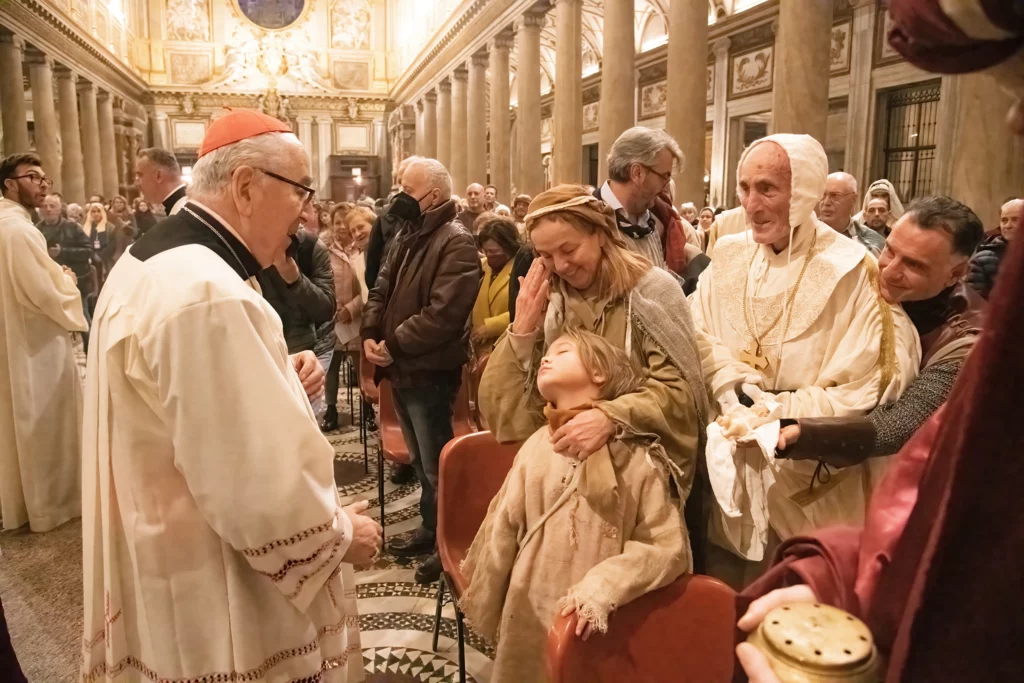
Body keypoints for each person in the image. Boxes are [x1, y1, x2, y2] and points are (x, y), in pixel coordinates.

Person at [81, 109, 381, 683]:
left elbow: (184, 409)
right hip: (214, 576)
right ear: (246, 186)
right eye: (300, 193)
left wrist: (274, 374)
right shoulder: (208, 293)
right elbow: (252, 482)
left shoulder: (153, 260)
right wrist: (340, 534)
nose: (302, 218)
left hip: (161, 540)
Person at [690, 134, 920, 588]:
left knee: (791, 602)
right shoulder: (730, 255)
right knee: (726, 595)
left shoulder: (853, 270)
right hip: (728, 467)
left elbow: (871, 383)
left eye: (767, 189)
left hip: (806, 478)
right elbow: (695, 330)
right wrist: (728, 382)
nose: (751, 203)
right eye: (744, 187)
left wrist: (774, 411)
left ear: (807, 192)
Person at [479, 184, 708, 569]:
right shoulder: (551, 300)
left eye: (569, 250)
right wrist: (522, 331)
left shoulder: (651, 291)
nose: (561, 265)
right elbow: (505, 412)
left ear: (601, 235)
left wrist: (610, 416)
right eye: (546, 255)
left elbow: (683, 394)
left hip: (640, 483)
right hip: (565, 474)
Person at [462, 329, 690, 683]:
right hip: (529, 609)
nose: (546, 359)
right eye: (546, 354)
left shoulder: (636, 458)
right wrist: (487, 594)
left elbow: (664, 546)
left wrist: (602, 588)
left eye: (562, 351)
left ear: (599, 372)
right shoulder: (537, 445)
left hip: (598, 621)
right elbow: (502, 525)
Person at [775, 196, 985, 467]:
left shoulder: (966, 342)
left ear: (956, 273)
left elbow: (902, 423)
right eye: (890, 250)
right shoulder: (863, 276)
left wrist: (803, 431)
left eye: (914, 265)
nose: (889, 271)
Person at [361, 157, 481, 584]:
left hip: (430, 370)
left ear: (432, 195)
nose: (399, 196)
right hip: (403, 366)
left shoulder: (457, 241)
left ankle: (445, 541)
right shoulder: (409, 233)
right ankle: (432, 529)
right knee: (418, 457)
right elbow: (381, 285)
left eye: (406, 189)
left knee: (436, 466)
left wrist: (393, 345)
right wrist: (373, 331)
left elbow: (443, 314)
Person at [0, 153, 88, 532]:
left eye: (44, 178)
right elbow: (44, 292)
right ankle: (52, 505)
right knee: (43, 421)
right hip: (34, 343)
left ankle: (23, 503)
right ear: (9, 184)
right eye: (32, 177)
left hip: (18, 335)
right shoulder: (17, 230)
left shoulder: (11, 224)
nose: (42, 183)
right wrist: (67, 280)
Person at [257, 201, 337, 418]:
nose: (303, 216)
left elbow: (326, 308)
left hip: (313, 345)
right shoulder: (247, 247)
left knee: (305, 423)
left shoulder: (311, 247)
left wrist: (294, 279)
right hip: (267, 349)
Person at [321, 205, 365, 432]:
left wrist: (352, 308)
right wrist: (334, 308)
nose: (340, 227)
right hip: (332, 318)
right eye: (336, 222)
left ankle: (366, 406)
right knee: (331, 367)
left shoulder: (362, 249)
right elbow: (321, 281)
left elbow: (368, 287)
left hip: (358, 317)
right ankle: (330, 409)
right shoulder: (323, 248)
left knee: (361, 366)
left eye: (344, 222)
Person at [364, 155, 421, 289]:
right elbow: (372, 270)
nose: (402, 187)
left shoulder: (436, 219)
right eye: (400, 181)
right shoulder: (384, 218)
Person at [471, 214, 520, 359]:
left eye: (494, 252)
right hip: (479, 350)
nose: (489, 255)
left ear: (509, 247)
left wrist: (491, 327)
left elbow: (524, 309)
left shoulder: (522, 268)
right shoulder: (482, 266)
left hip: (506, 347)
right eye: (486, 251)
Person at [818, 172, 886, 256]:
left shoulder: (872, 241)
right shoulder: (803, 234)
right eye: (823, 195)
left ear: (853, 199)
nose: (826, 202)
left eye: (835, 195)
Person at [966, 198, 1020, 298]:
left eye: (1015, 219)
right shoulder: (982, 260)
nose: (1008, 226)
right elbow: (974, 303)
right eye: (1004, 220)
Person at [135, 146, 187, 216]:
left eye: (140, 175)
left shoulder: (184, 212)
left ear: (159, 176)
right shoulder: (184, 207)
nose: (136, 183)